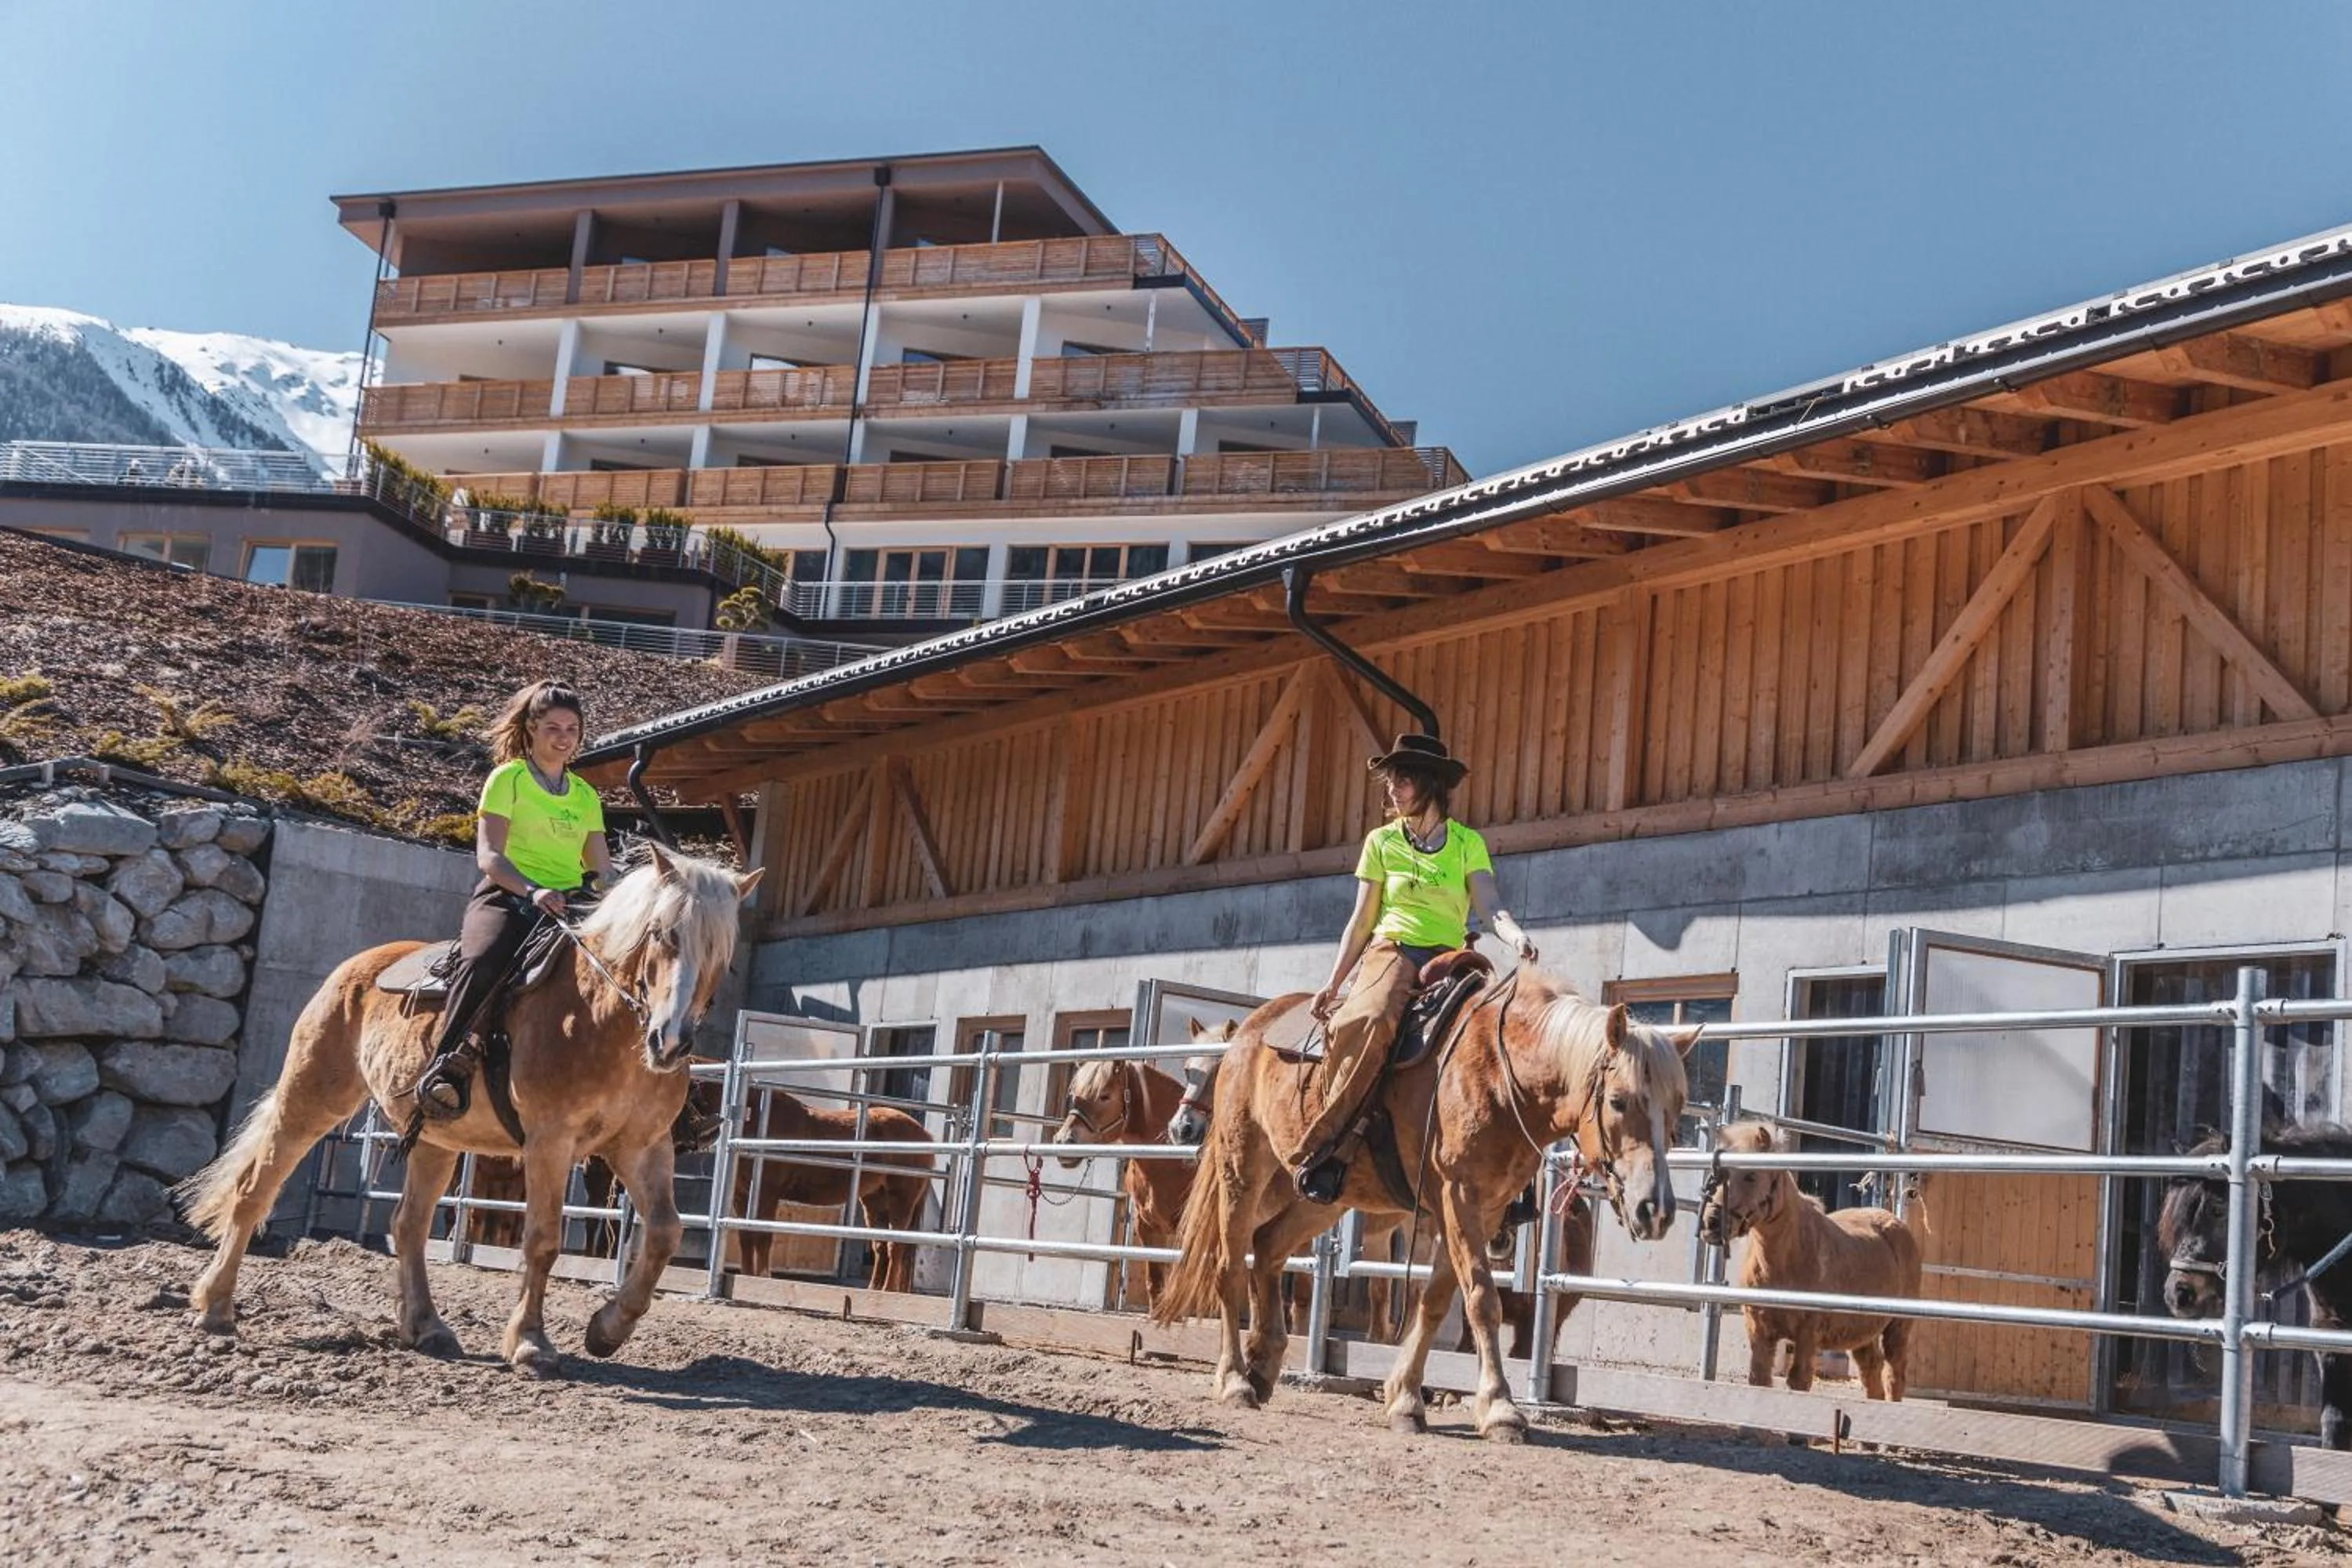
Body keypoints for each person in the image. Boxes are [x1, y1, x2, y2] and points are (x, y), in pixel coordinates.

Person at [1290, 732, 1538, 1204]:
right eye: (1389, 781)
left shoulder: (1467, 843)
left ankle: (1512, 1179)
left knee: (1498, 1031)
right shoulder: (1380, 842)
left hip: (1451, 956)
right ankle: (1330, 1141)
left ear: (1429, 784)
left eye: (1401, 780)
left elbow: (1490, 906)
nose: (1391, 789)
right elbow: (1361, 920)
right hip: (1393, 950)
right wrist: (1334, 982)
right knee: (1371, 1018)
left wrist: (1516, 937)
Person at [414, 679, 612, 1119]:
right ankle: (448, 1066)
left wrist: (622, 900)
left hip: (571, 906)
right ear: (531, 728)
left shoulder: (585, 795)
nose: (563, 738)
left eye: (572, 730)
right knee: (482, 961)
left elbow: (602, 869)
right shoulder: (509, 779)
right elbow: (490, 857)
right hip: (510, 897)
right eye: (553, 728)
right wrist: (534, 890)